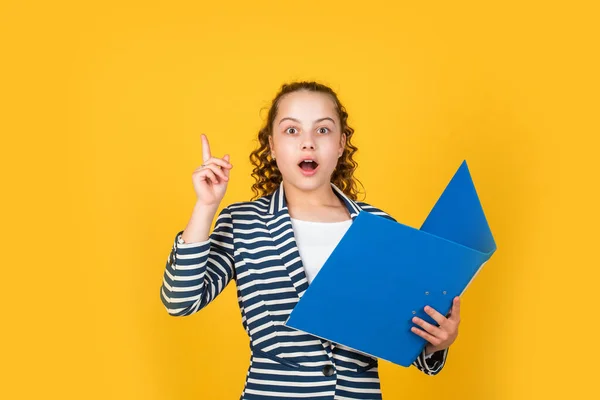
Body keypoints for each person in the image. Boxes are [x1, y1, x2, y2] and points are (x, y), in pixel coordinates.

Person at [159, 81, 461, 399]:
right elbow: (180, 301)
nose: (308, 144)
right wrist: (206, 207)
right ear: (272, 145)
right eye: (292, 131)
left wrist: (437, 343)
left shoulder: (378, 227)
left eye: (323, 130)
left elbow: (408, 342)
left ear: (342, 143)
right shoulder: (242, 222)